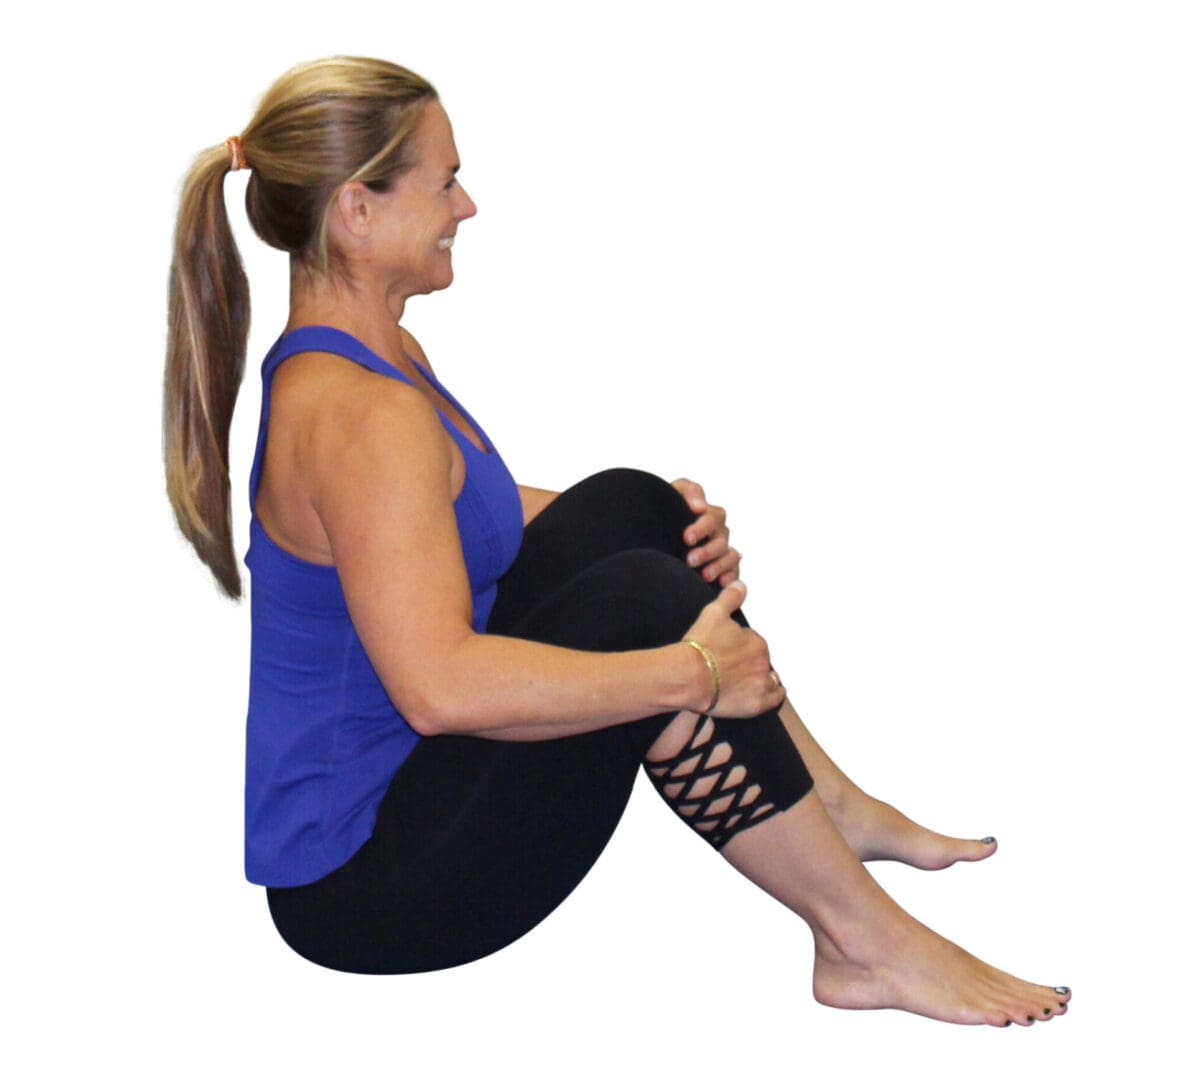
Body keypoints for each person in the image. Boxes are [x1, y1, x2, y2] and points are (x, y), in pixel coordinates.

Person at [164, 56, 1070, 1025]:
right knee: (645, 604)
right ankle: (862, 945)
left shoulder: (370, 357)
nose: (465, 207)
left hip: (408, 805)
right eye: (443, 181)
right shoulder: (357, 413)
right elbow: (440, 691)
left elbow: (446, 510)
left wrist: (670, 529)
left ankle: (827, 808)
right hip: (371, 888)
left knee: (635, 510)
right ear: (356, 211)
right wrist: (691, 674)